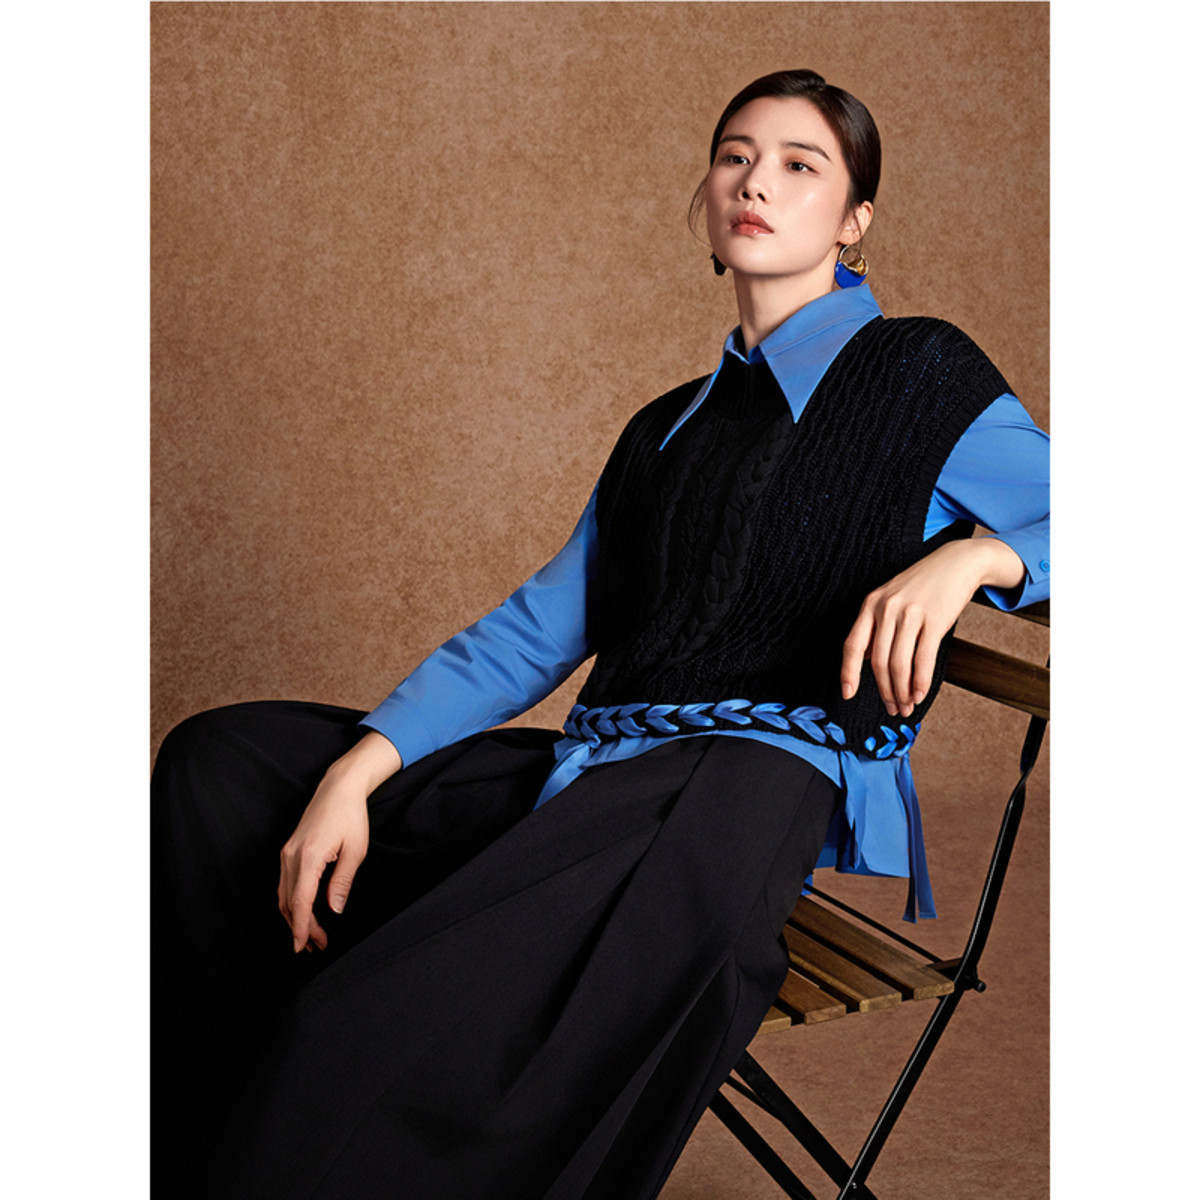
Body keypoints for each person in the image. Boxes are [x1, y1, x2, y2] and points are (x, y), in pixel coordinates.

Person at [152, 69, 1049, 1200]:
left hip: (742, 788)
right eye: (735, 156)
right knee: (222, 764)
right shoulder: (664, 427)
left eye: (799, 164)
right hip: (600, 772)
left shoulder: (919, 372)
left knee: (372, 1020)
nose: (756, 182)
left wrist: (978, 557)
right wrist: (359, 769)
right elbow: (537, 631)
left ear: (854, 220)